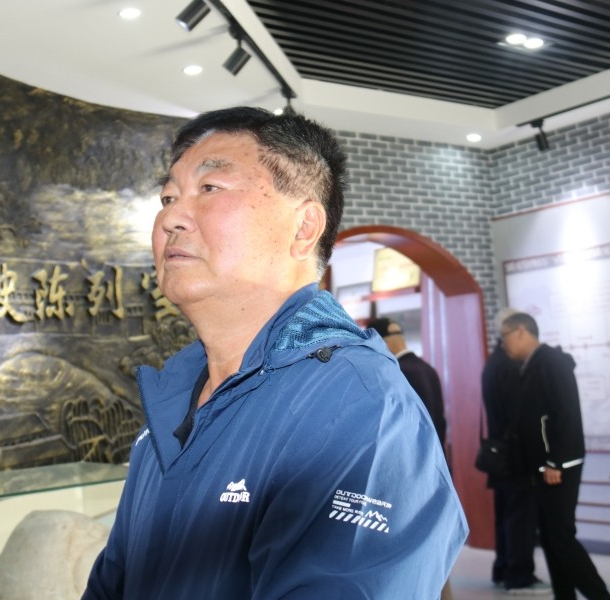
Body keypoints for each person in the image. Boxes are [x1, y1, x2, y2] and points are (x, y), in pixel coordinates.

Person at [82, 107, 467, 599]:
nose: (170, 217)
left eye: (210, 187)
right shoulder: (173, 398)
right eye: (168, 197)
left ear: (304, 227)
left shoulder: (359, 405)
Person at [500, 311, 610, 600]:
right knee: (550, 538)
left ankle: (600, 596)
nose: (503, 344)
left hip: (558, 467)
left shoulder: (551, 362)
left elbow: (566, 414)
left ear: (522, 332)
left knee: (561, 537)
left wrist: (555, 461)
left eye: (505, 336)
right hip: (544, 467)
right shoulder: (533, 364)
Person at [480, 308, 549, 596]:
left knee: (506, 515)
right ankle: (519, 576)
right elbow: (521, 415)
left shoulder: (493, 363)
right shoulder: (511, 366)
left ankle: (503, 569)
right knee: (520, 518)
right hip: (516, 455)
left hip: (499, 452)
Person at [366, 316, 447, 448]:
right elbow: (440, 422)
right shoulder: (429, 369)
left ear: (382, 342)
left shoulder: (395, 372)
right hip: (436, 454)